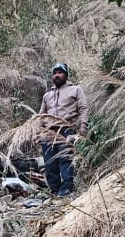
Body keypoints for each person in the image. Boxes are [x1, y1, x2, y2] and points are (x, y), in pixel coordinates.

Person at [38, 62, 89, 197]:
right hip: (48, 132)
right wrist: (38, 132)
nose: (57, 75)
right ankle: (55, 188)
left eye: (60, 72)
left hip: (66, 129)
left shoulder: (75, 90)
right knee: (49, 161)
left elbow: (83, 108)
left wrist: (83, 126)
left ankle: (67, 187)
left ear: (66, 75)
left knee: (65, 159)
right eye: (55, 73)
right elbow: (41, 115)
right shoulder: (47, 95)